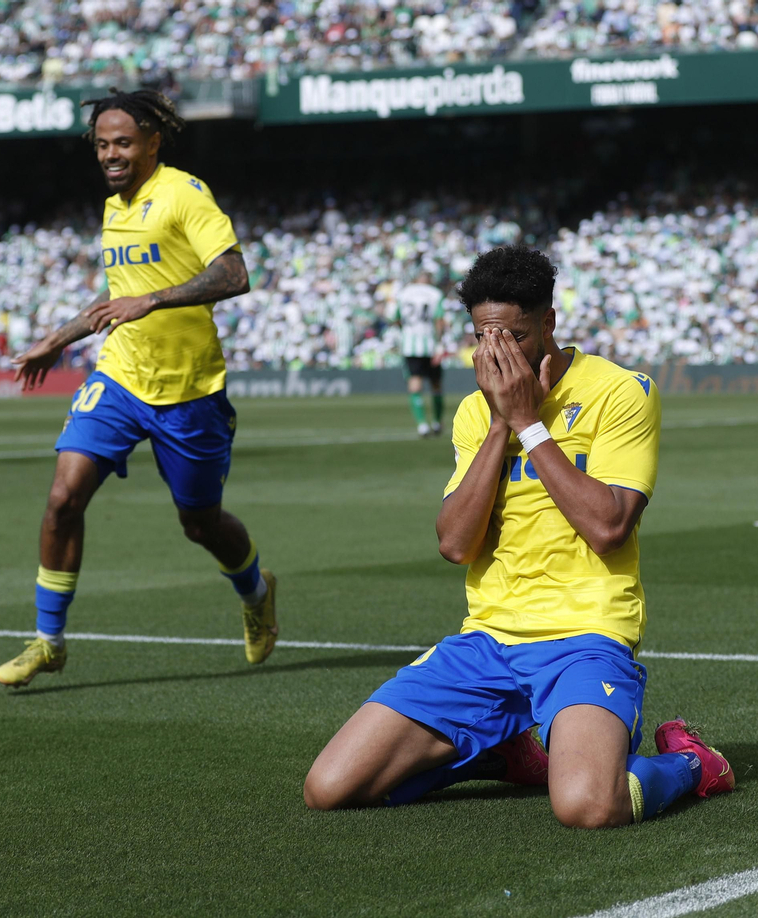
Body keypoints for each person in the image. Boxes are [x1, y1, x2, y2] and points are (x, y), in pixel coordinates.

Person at [302, 246, 733, 827]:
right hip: (487, 641)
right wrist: (503, 422)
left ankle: (691, 763)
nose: (497, 353)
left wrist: (530, 424)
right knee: (330, 788)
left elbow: (608, 527)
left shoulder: (619, 391)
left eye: (514, 336)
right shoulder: (474, 413)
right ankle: (509, 751)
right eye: (484, 338)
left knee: (587, 806)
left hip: (586, 635)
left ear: (549, 323)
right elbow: (455, 545)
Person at [0, 89, 277, 688]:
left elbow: (234, 273)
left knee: (199, 524)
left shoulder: (183, 192)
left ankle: (255, 590)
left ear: (153, 141)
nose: (110, 154)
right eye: (101, 144)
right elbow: (116, 303)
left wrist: (153, 298)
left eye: (122, 142)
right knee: (63, 498)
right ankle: (48, 641)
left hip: (190, 391)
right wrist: (59, 338)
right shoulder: (113, 208)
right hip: (119, 378)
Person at [393, 273, 447, 437]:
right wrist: (439, 343)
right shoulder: (435, 294)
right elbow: (439, 320)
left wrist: (406, 333)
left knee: (415, 385)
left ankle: (422, 425)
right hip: (430, 344)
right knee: (436, 384)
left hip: (410, 346)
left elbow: (396, 318)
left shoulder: (403, 293)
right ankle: (437, 422)